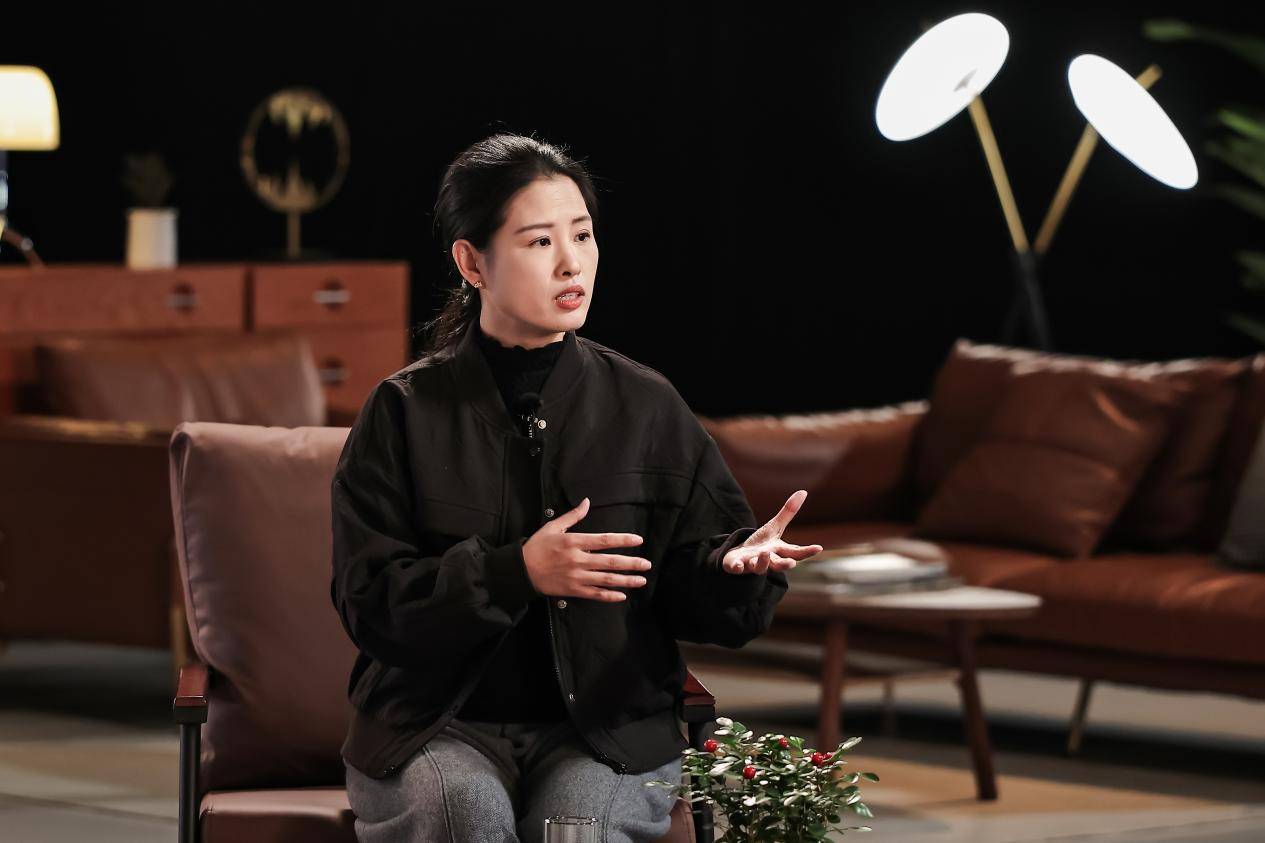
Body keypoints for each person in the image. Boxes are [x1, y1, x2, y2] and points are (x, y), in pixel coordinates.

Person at [330, 132, 823, 843]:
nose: (572, 263)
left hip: (605, 728)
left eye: (583, 235)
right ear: (472, 262)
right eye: (539, 242)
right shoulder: (402, 411)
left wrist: (729, 569)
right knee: (464, 815)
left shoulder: (647, 405)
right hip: (435, 724)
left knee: (575, 828)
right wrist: (515, 572)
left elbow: (697, 593)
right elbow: (369, 601)